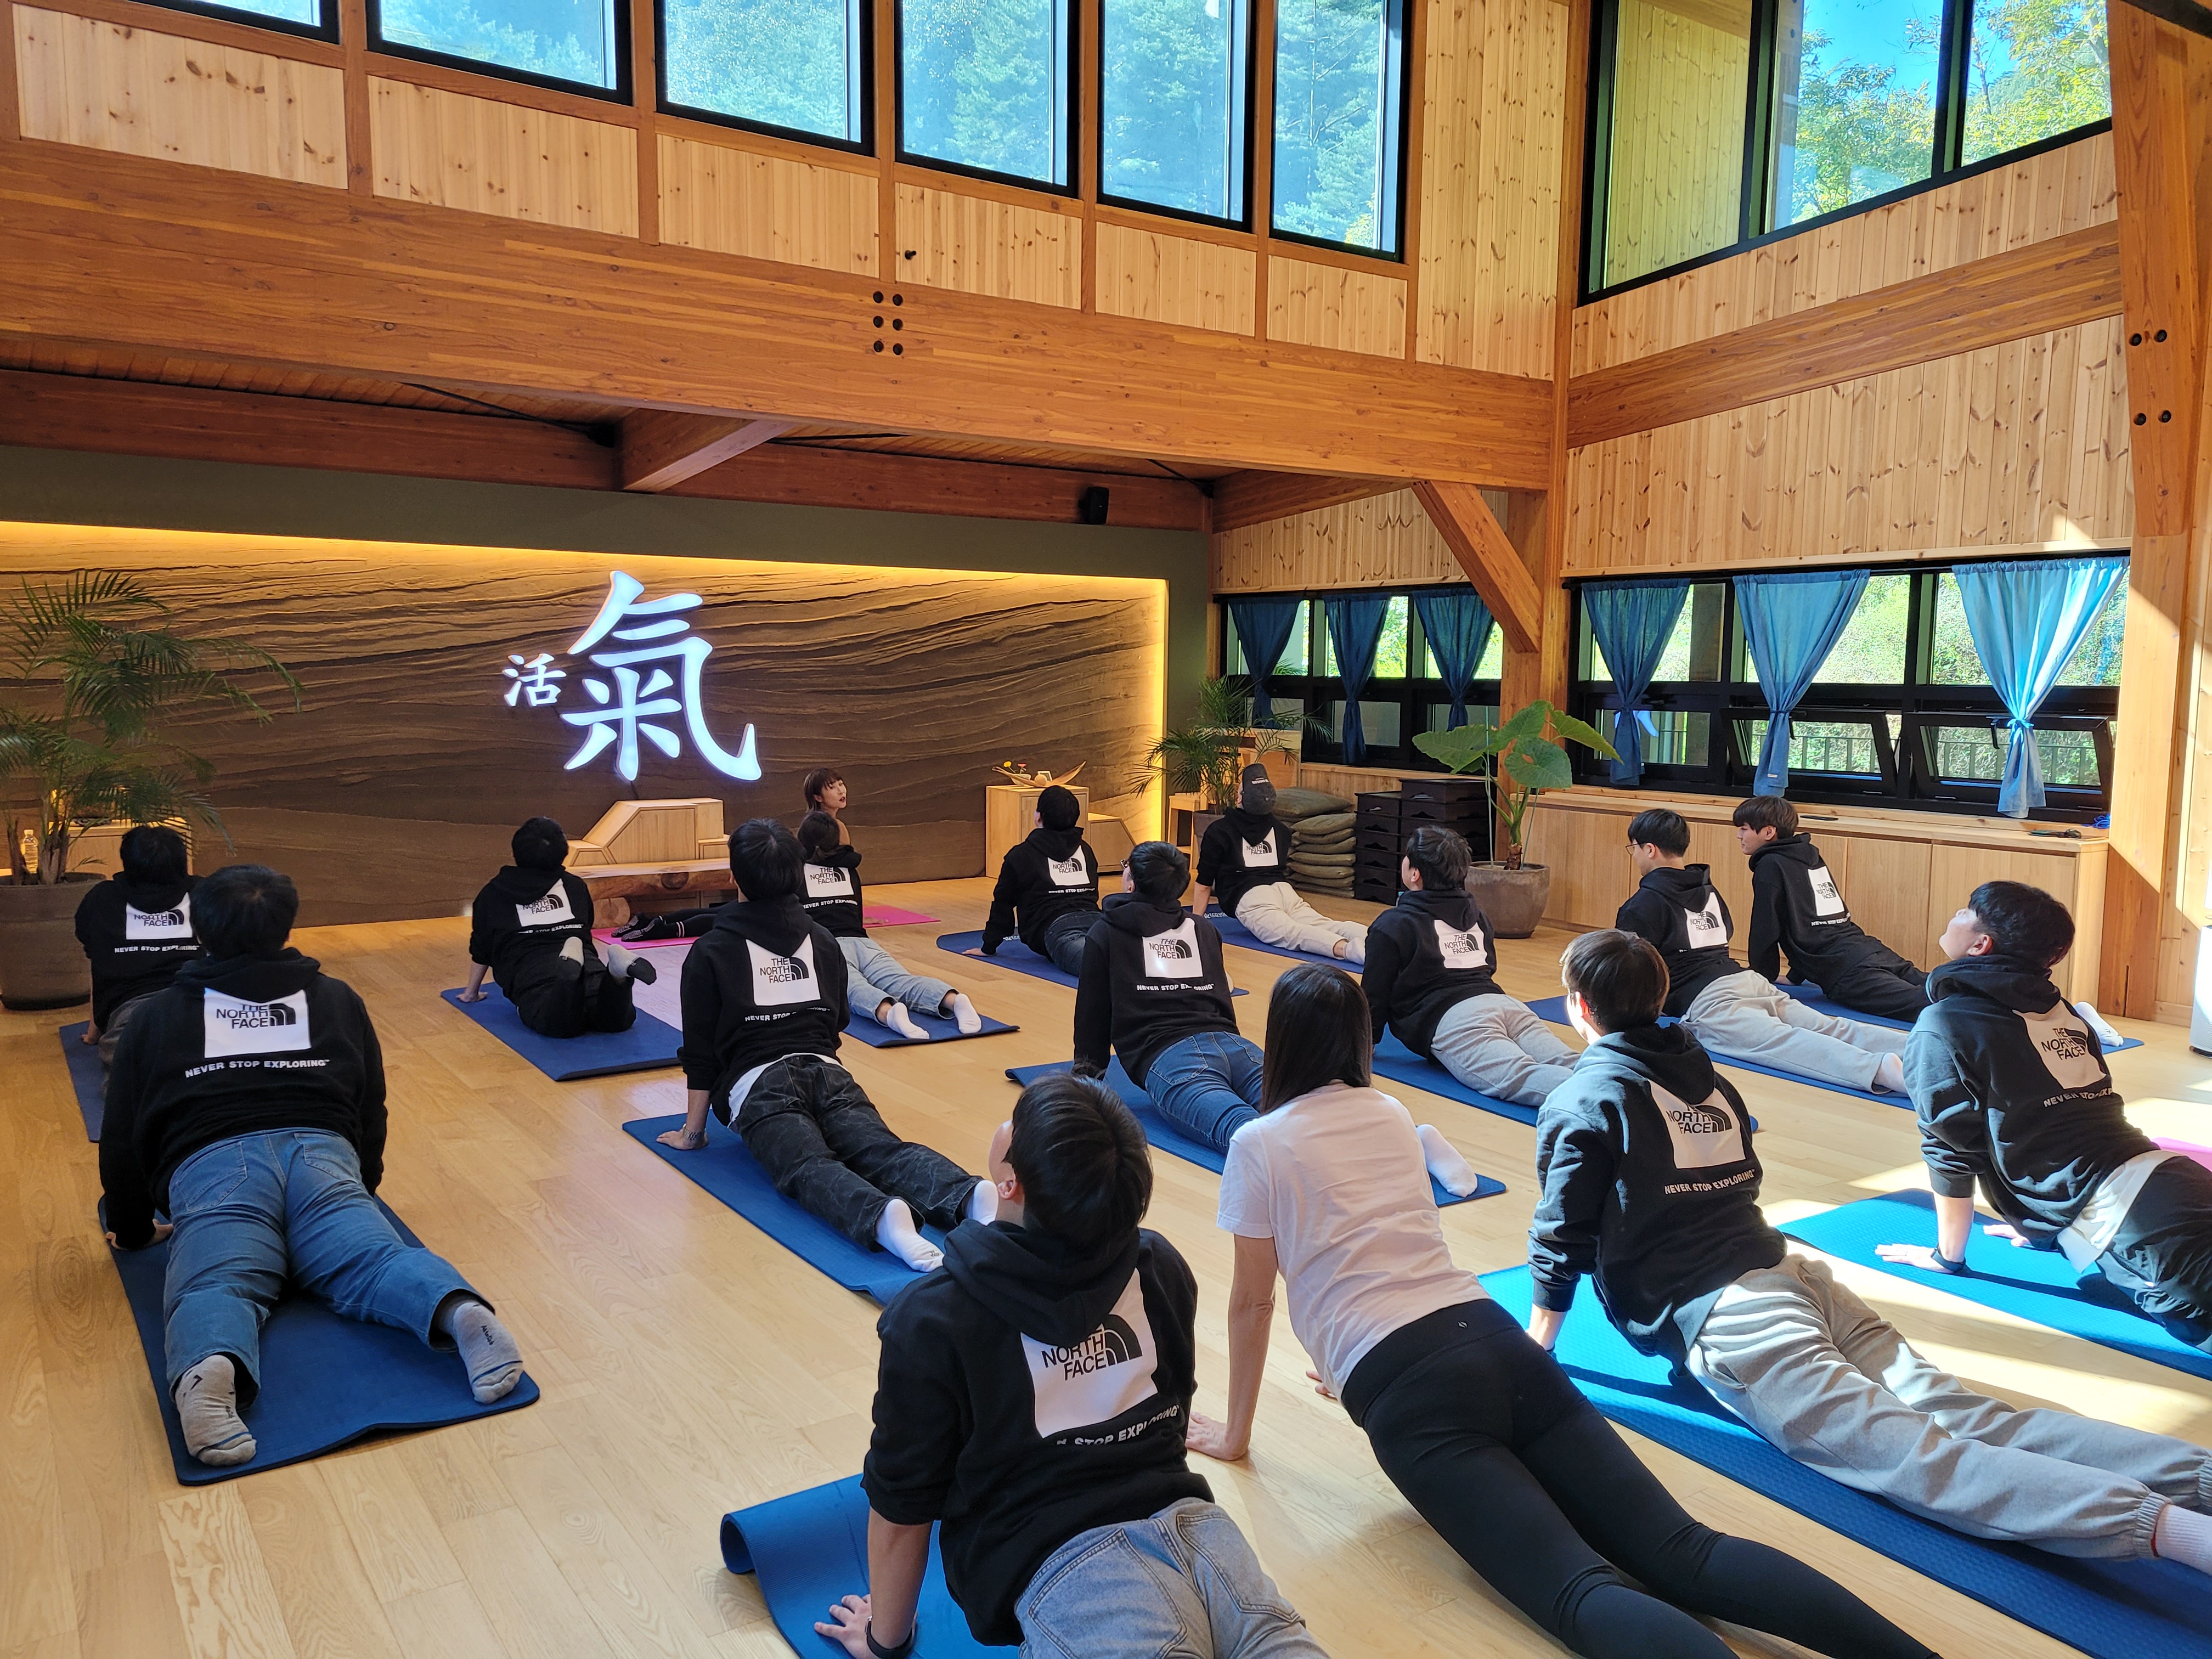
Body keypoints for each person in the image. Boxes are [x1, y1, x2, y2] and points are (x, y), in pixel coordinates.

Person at [1188, 962, 1938, 1659]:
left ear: (1279, 1042)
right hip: (1492, 1339)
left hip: (1409, 1388)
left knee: (1579, 1590)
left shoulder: (1259, 1143)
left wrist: (1238, 1433)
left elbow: (1254, 1301)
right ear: (1358, 1037)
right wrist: (1346, 1360)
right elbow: (1388, 1241)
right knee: (1686, 1550)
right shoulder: (1389, 1112)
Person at [1528, 928, 2212, 1577]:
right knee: (1969, 1415)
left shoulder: (1583, 1098)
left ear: (1579, 1006)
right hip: (1796, 1276)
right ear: (1660, 996)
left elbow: (1562, 1234)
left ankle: (2181, 1534)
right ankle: (2201, 1479)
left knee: (1917, 1457)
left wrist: (1539, 1347)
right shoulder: (1705, 1076)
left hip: (1736, 1318)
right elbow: (1743, 1178)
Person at [816, 1073, 1330, 1659]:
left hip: (1081, 1578)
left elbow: (902, 1510)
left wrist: (885, 1640)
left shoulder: (933, 1319)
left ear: (1010, 1183)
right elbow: (1169, 1419)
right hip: (1206, 1541)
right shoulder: (1160, 1266)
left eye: (1016, 1124)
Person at [98, 864, 524, 1468]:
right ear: (287, 924)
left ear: (200, 928)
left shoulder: (156, 1017)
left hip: (215, 1165)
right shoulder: (336, 998)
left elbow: (121, 1135)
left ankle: (209, 1371)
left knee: (218, 1281)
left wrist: (132, 1226)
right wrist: (363, 1186)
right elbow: (370, 1105)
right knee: (372, 1258)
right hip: (322, 1156)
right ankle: (460, 1313)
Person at [1883, 880, 2212, 1352]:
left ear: (1981, 944)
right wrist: (2043, 1225)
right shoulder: (2064, 1012)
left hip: (2132, 1225)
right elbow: (2077, 1115)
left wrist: (1947, 1258)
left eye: (1965, 911)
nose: (1956, 915)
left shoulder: (1945, 1024)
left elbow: (1950, 1151)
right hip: (2175, 1180)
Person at [656, 819, 993, 1272]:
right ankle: (971, 1195)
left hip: (759, 1086)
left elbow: (700, 1054)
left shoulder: (711, 949)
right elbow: (838, 1022)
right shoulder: (822, 939)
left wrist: (693, 1134)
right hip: (827, 1071)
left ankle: (882, 1218)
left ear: (734, 877)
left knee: (806, 1164)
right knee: (880, 1149)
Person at [1616, 808, 1908, 1094]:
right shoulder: (1708, 890)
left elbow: (1631, 974)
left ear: (1650, 849)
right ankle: (1915, 1047)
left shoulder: (1641, 905)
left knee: (1783, 1043)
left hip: (1712, 1002)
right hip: (1748, 982)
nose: (1635, 856)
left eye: (1634, 849)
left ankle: (1880, 1070)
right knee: (1831, 1026)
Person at [1362, 825, 1577, 1105]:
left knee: (1520, 1077)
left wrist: (1365, 1042)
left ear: (1414, 874)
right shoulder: (1478, 916)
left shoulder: (1393, 925)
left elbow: (1375, 993)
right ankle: (1625, 1084)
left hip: (1456, 1020)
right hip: (1506, 1006)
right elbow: (1487, 967)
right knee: (1568, 1061)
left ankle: (1609, 1099)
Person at [1074, 840, 1262, 1152]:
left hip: (1173, 1060)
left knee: (1250, 1136)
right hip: (1236, 1047)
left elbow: (1092, 1019)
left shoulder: (1106, 933)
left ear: (1132, 880)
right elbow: (1221, 999)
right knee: (1311, 1117)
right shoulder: (1203, 928)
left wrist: (1085, 1084)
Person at [1734, 796, 1928, 1021]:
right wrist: (1795, 977)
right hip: (1870, 950)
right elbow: (1811, 920)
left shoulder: (1770, 866)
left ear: (1769, 832)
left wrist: (1760, 981)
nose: (1739, 835)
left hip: (1845, 970)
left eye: (1744, 829)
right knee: (1935, 984)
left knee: (1925, 1007)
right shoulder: (1808, 855)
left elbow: (1766, 929)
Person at [459, 817, 656, 1036]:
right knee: (616, 1021)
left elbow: (482, 949)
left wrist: (471, 993)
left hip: (534, 976)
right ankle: (616, 976)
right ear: (563, 852)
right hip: (589, 967)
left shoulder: (494, 894)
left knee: (559, 1024)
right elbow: (585, 931)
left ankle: (568, 979)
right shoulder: (574, 886)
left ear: (516, 851)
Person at [798, 810, 981, 1038]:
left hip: (827, 946)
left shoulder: (796, 874)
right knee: (901, 981)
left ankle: (888, 1012)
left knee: (851, 989)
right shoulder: (849, 869)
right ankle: (953, 1000)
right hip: (862, 942)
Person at [1193, 765, 1364, 965]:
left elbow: (1204, 884)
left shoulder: (1219, 831)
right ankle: (1378, 937)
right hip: (1284, 892)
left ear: (1239, 799)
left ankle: (1349, 951)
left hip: (1252, 899)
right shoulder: (1281, 830)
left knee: (1292, 933)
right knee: (1325, 924)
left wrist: (1195, 925)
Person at [73, 823, 203, 1069]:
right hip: (202, 1006)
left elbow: (96, 963)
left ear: (127, 862)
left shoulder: (101, 899)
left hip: (134, 1019)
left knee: (138, 1063)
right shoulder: (205, 892)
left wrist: (95, 1030)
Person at [981, 783, 1101, 975]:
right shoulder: (1085, 849)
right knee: (1126, 961)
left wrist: (989, 946)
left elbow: (1003, 903)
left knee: (1097, 968)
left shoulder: (1020, 855)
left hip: (1056, 928)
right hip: (1098, 922)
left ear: (1039, 817)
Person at [804, 765, 851, 845]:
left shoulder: (810, 823)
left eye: (841, 784)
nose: (841, 791)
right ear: (818, 797)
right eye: (832, 787)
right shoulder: (820, 827)